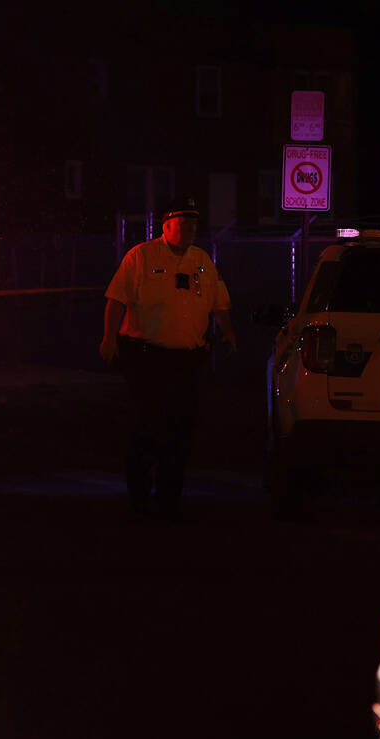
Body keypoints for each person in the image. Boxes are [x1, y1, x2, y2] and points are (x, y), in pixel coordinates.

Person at [100, 195, 236, 518]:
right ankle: (139, 495)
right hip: (147, 359)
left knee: (181, 429)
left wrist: (228, 331)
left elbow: (219, 302)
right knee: (146, 426)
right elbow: (116, 299)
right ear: (166, 225)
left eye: (193, 224)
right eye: (182, 223)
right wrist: (109, 338)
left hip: (186, 362)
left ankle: (169, 497)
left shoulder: (202, 260)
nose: (189, 229)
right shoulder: (142, 257)